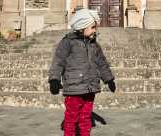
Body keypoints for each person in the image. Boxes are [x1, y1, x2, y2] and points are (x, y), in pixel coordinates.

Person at [48, 8, 116, 136]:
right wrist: (54, 79)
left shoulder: (94, 45)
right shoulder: (68, 42)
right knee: (71, 119)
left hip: (90, 89)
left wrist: (109, 79)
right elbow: (58, 61)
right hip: (74, 89)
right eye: (92, 27)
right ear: (82, 27)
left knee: (86, 118)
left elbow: (102, 63)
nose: (95, 30)